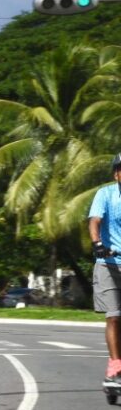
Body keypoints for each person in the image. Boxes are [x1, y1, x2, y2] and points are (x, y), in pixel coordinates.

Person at [87, 155, 121, 390]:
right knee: (114, 315)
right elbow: (94, 221)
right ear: (116, 174)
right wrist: (97, 244)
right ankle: (115, 365)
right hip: (109, 262)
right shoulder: (106, 194)